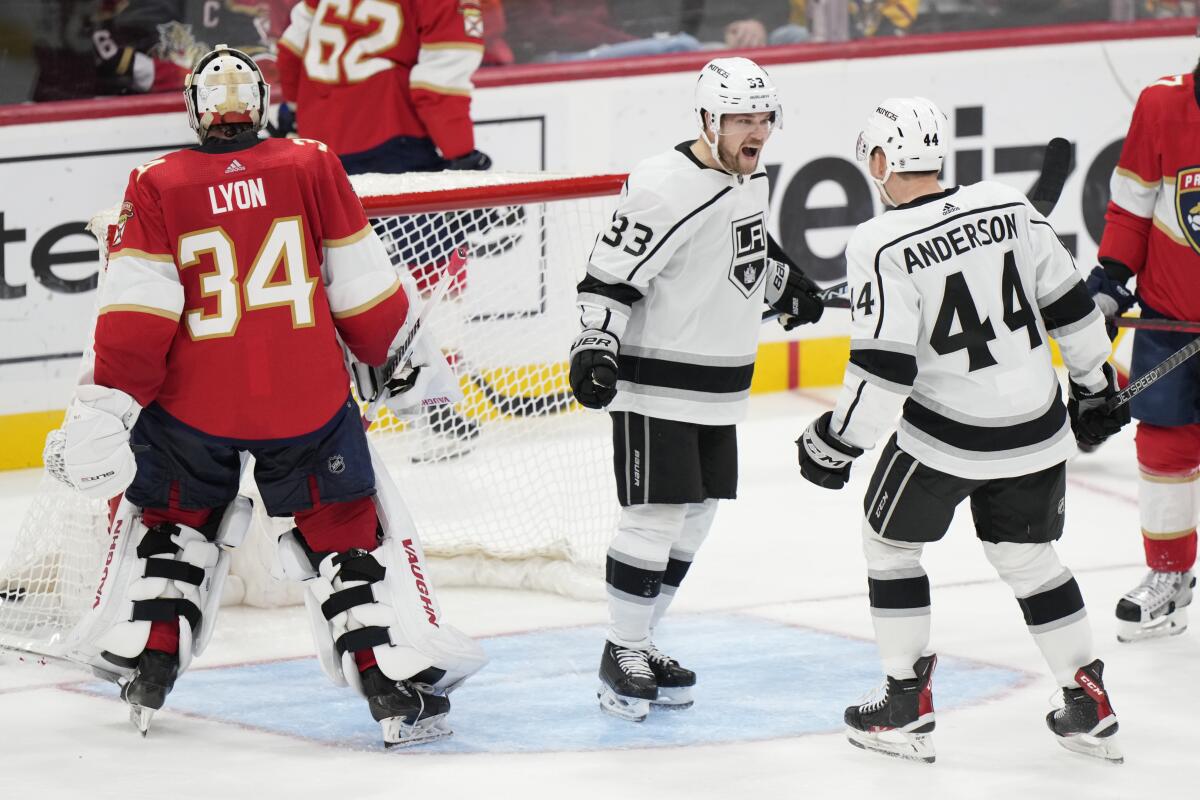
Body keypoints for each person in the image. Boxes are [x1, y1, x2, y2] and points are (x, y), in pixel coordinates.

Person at [53, 45, 484, 747]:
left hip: (194, 407)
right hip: (305, 401)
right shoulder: (311, 161)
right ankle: (390, 686)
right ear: (258, 102)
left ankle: (150, 666)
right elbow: (364, 288)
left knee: (174, 533)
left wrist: (106, 408)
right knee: (345, 545)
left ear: (194, 106)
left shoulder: (157, 180)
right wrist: (405, 371)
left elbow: (137, 318)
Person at [797, 97, 1129, 763]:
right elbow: (1068, 305)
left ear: (883, 161)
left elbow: (885, 366)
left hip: (948, 435)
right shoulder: (1008, 204)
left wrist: (838, 439)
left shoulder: (879, 241)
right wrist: (1095, 387)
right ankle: (1086, 698)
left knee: (888, 545)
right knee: (1029, 559)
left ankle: (901, 703)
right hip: (1036, 426)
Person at [569, 56, 824, 722]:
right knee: (654, 514)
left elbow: (739, 252)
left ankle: (640, 640)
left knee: (699, 512)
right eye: (742, 118)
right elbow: (608, 276)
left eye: (764, 118)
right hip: (657, 378)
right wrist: (596, 346)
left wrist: (785, 282)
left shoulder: (750, 174)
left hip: (718, 381)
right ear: (708, 120)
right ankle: (622, 650)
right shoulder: (661, 185)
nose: (757, 130)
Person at [275, 0, 492, 454]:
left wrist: (295, 108)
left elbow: (292, 47)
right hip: (398, 146)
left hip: (322, 149)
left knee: (331, 282)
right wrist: (460, 155)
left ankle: (321, 418)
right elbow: (439, 83)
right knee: (438, 274)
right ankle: (437, 408)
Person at [1087, 62, 1200, 643]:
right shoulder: (1160, 105)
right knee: (1163, 446)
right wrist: (1110, 279)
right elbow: (1132, 206)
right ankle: (1170, 577)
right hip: (1168, 318)